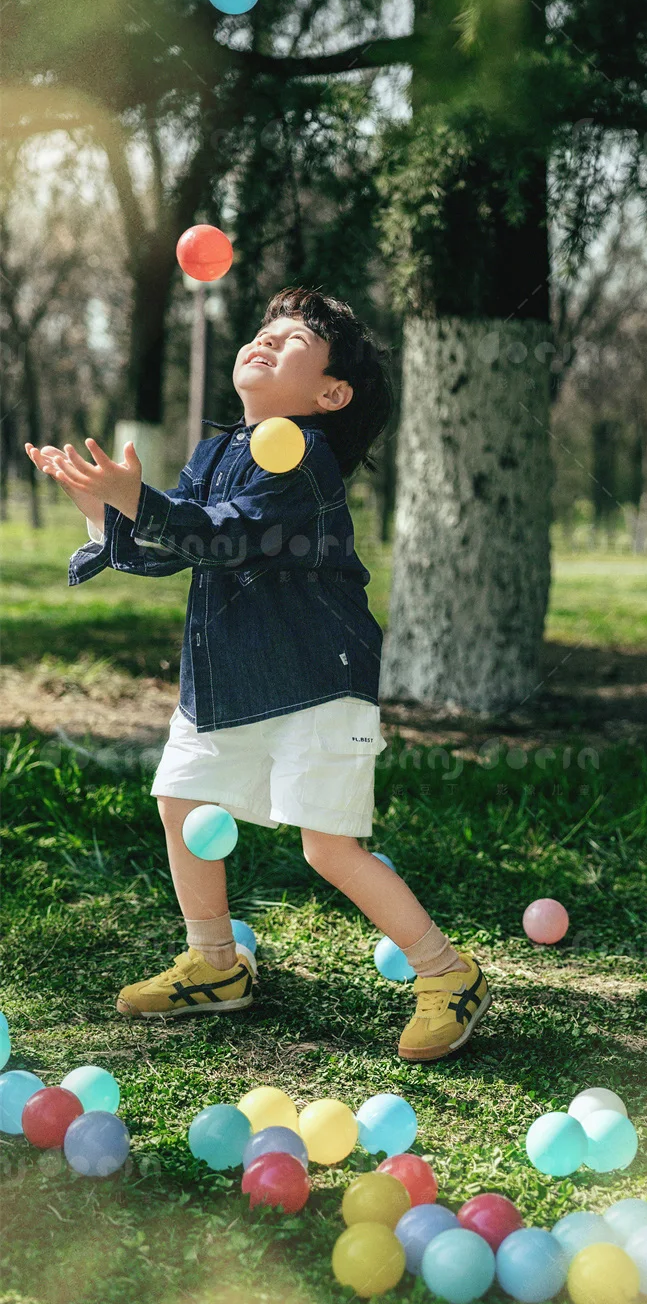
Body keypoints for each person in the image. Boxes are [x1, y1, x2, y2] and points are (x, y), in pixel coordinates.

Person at [24, 286, 492, 1062]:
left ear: (330, 393)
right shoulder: (216, 451)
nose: (268, 341)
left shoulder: (302, 456)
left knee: (328, 848)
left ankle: (449, 973)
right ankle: (214, 967)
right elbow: (168, 547)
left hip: (317, 675)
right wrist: (103, 509)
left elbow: (227, 537)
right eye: (265, 330)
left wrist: (139, 499)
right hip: (228, 676)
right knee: (180, 803)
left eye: (295, 339)